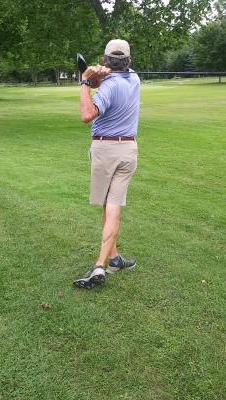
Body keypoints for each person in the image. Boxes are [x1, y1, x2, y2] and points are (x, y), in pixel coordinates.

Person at [73, 39, 141, 289]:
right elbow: (111, 80)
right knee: (110, 207)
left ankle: (99, 265)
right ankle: (114, 259)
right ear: (129, 61)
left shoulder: (109, 86)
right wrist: (100, 76)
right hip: (128, 150)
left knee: (110, 209)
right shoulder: (134, 78)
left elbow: (86, 115)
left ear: (104, 59)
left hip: (105, 150)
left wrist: (84, 82)